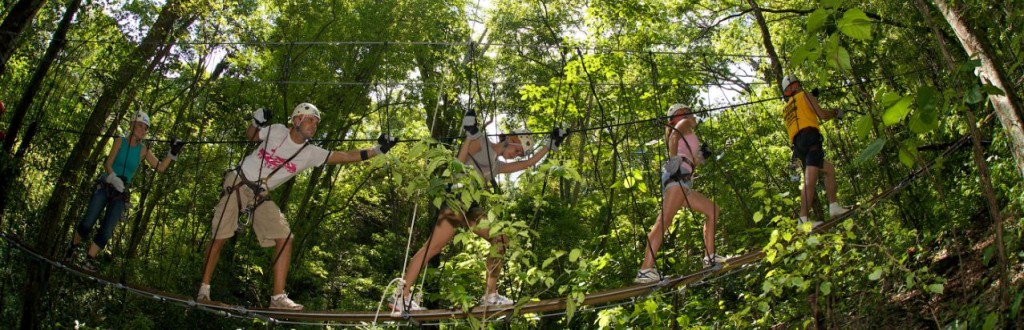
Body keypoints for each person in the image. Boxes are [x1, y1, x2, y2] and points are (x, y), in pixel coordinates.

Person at [196, 103, 398, 310]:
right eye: (310, 119)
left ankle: (278, 299)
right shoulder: (276, 131)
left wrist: (377, 150)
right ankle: (204, 290)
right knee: (220, 236)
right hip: (237, 182)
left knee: (284, 237)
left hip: (259, 195)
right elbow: (252, 135)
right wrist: (256, 121)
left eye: (317, 122)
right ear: (296, 120)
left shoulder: (310, 153)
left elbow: (345, 156)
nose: (314, 125)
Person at [390, 110, 569, 314]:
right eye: (518, 150)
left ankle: (490, 295)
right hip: (456, 200)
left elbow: (529, 163)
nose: (516, 156)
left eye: (518, 155)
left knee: (501, 239)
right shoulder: (481, 141)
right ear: (511, 139)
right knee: (432, 248)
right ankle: (400, 296)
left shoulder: (497, 165)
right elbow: (458, 163)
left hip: (471, 207)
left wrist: (550, 143)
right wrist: (470, 134)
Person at [66, 111, 182, 271]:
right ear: (132, 125)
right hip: (107, 184)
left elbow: (160, 167)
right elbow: (108, 163)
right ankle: (71, 248)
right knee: (87, 222)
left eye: (146, 128)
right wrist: (113, 177)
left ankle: (89, 259)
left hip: (121, 192)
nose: (143, 130)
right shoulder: (119, 141)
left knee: (106, 230)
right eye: (140, 126)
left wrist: (173, 153)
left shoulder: (143, 150)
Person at [634, 104, 724, 284]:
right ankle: (645, 269)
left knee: (712, 210)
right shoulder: (682, 123)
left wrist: (700, 157)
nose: (692, 114)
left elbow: (693, 160)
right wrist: (674, 160)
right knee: (664, 221)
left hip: (683, 180)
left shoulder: (687, 129)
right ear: (680, 113)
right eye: (688, 111)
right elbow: (674, 137)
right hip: (677, 177)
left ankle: (710, 257)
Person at [780, 75, 849, 228]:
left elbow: (802, 115)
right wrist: (836, 112)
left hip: (799, 146)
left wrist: (813, 98)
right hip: (810, 139)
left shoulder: (786, 109)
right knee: (810, 180)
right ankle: (802, 220)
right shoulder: (805, 95)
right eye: (797, 84)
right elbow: (822, 115)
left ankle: (834, 206)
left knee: (829, 169)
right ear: (796, 85)